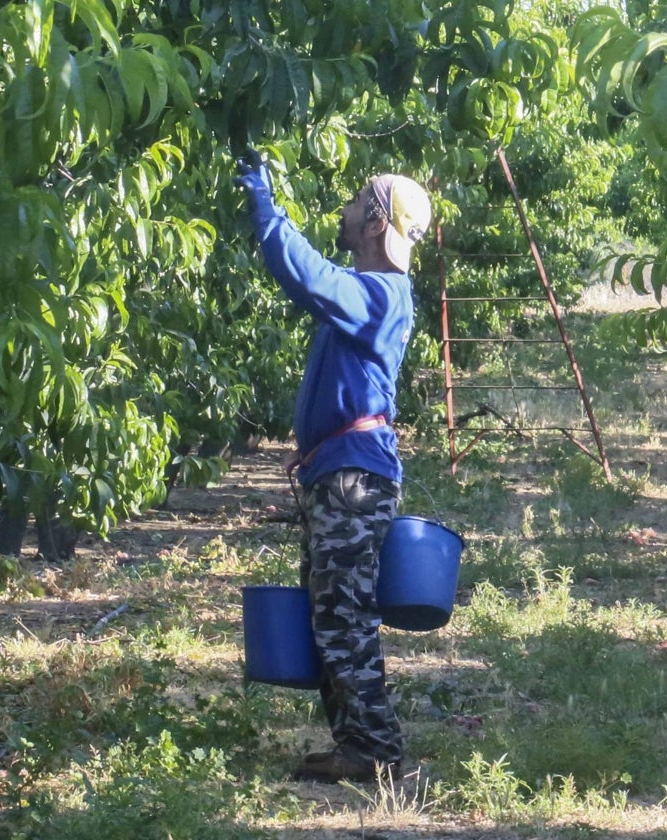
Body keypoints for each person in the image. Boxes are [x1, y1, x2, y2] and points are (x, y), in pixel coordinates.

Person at [234, 147, 431, 783]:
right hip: (337, 471)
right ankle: (356, 745)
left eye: (355, 201)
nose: (343, 211)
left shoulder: (381, 295)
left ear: (377, 222)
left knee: (344, 615)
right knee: (330, 611)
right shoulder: (367, 296)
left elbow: (308, 275)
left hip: (353, 479)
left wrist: (267, 210)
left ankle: (379, 753)